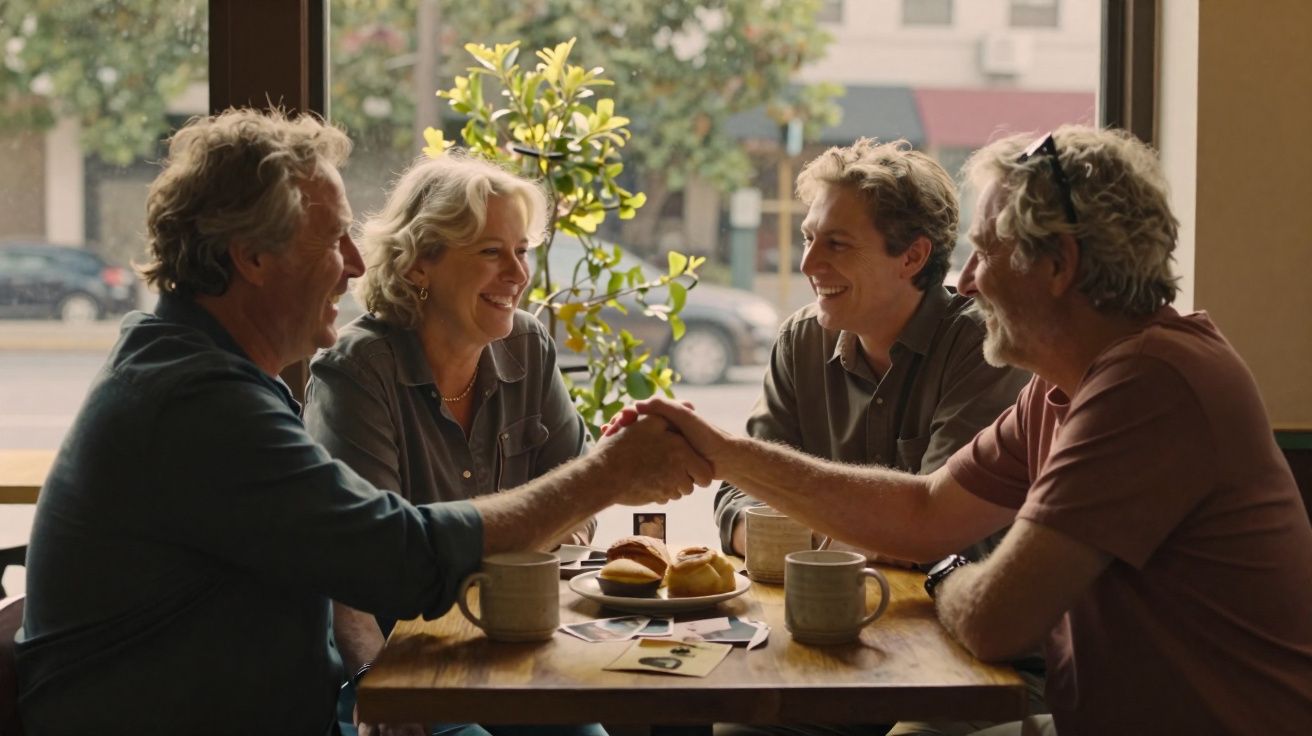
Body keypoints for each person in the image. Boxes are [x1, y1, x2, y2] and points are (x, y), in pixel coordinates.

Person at [15, 108, 710, 736]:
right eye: (334, 239)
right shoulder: (198, 404)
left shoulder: (197, 371)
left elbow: (337, 551)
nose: (355, 265)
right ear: (251, 258)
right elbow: (393, 559)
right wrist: (608, 474)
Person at [613, 125, 1312, 734]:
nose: (969, 281)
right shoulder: (1061, 387)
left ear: (1059, 265)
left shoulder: (1151, 382)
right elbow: (923, 512)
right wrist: (725, 451)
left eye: (985, 252)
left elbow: (992, 619)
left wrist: (943, 572)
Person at [303, 153, 599, 736]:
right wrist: (377, 683)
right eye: (492, 252)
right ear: (418, 266)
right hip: (403, 668)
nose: (518, 273)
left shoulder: (528, 346)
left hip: (512, 656)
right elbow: (347, 572)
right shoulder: (359, 370)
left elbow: (581, 495)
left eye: (521, 250)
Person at [714, 138, 1030, 568]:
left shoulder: (984, 346)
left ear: (912, 257)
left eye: (837, 244)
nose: (807, 264)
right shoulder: (800, 340)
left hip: (943, 621)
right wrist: (844, 541)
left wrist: (791, 538)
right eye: (808, 238)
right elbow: (740, 492)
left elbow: (939, 534)